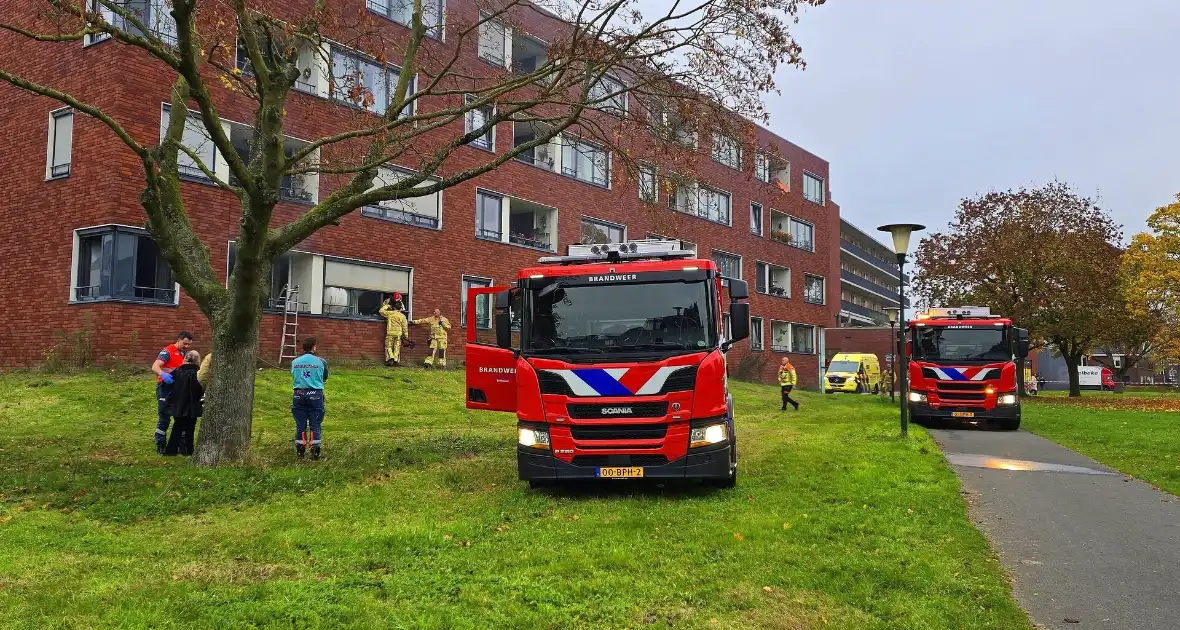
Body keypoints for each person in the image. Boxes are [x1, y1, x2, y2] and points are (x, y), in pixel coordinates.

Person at [151, 331, 193, 454]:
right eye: (185, 343)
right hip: (165, 387)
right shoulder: (167, 352)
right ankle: (161, 444)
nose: (187, 346)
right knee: (164, 416)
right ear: (179, 340)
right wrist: (162, 374)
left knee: (179, 416)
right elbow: (155, 366)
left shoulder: (185, 354)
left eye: (189, 344)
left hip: (178, 388)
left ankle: (179, 445)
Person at [291, 336, 329, 460]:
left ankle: (300, 450)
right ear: (314, 347)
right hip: (315, 395)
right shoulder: (321, 361)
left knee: (300, 424)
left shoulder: (295, 362)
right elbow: (325, 377)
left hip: (299, 394)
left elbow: (294, 376)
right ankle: (315, 450)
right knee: (315, 424)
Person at [164, 350, 204, 456]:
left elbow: (168, 383)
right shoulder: (198, 373)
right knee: (190, 429)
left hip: (178, 404)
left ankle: (171, 451)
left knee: (177, 427)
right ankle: (188, 451)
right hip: (192, 405)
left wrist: (168, 398)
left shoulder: (177, 371)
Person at [378, 293, 409, 366]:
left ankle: (390, 358)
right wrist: (406, 336)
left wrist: (387, 306)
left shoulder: (390, 314)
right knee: (397, 346)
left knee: (388, 346)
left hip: (390, 332)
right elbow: (405, 327)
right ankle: (396, 360)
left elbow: (381, 311)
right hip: (399, 333)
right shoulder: (403, 316)